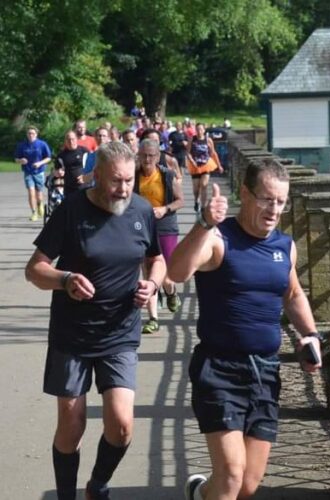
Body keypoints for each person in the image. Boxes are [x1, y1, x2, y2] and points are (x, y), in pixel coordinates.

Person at [168, 159, 322, 500]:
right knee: (232, 475)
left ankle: (199, 492)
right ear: (245, 194)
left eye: (281, 201)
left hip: (265, 372)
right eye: (266, 199)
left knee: (248, 484)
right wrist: (204, 223)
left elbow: (292, 293)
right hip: (219, 370)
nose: (274, 209)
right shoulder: (219, 239)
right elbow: (176, 272)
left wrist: (311, 335)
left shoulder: (285, 247)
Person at [25, 141, 166, 500]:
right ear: (97, 176)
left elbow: (156, 259)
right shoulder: (71, 210)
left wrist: (152, 284)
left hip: (120, 333)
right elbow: (35, 269)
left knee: (121, 426)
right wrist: (65, 279)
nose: (124, 189)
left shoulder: (141, 210)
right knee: (71, 427)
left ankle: (98, 484)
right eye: (116, 181)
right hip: (72, 336)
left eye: (129, 180)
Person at [136, 138, 184, 334]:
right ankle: (153, 318)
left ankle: (171, 293)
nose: (147, 159)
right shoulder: (133, 176)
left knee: (166, 275)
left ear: (158, 157)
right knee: (148, 272)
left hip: (165, 226)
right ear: (138, 156)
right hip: (141, 227)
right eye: (143, 155)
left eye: (151, 155)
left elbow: (180, 201)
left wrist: (165, 209)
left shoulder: (166, 175)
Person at [14, 126, 52, 221]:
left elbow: (48, 158)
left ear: (36, 134)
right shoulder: (22, 145)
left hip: (39, 172)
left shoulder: (42, 144)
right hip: (28, 172)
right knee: (31, 193)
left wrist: (40, 163)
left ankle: (40, 205)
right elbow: (16, 159)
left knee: (39, 193)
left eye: (33, 133)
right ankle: (34, 212)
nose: (31, 135)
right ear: (27, 134)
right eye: (29, 133)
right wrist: (20, 160)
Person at [186, 122, 223, 213]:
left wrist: (219, 165)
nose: (199, 131)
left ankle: (203, 206)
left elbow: (213, 153)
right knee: (196, 188)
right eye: (197, 129)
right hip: (195, 165)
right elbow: (187, 153)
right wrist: (192, 161)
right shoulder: (192, 139)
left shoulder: (208, 140)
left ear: (204, 130)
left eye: (201, 129)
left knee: (204, 185)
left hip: (206, 164)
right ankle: (196, 201)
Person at [55, 131, 88, 197]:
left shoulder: (84, 151)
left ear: (76, 139)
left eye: (72, 139)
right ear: (65, 141)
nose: (71, 141)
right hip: (69, 187)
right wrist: (59, 172)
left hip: (84, 185)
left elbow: (92, 166)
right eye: (68, 139)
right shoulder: (61, 155)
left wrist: (85, 176)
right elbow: (56, 171)